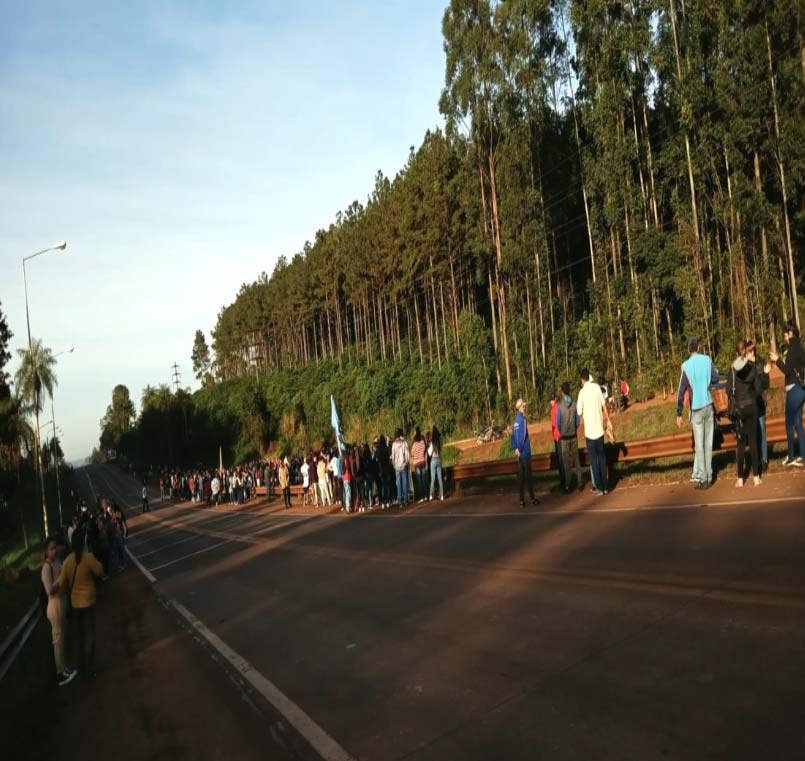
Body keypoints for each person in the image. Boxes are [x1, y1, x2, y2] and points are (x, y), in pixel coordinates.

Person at [54, 530, 103, 679]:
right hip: (88, 602)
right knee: (90, 635)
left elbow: (61, 582)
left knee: (79, 636)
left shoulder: (68, 560)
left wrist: (52, 587)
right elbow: (100, 571)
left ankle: (81, 668)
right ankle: (90, 668)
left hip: (75, 604)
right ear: (83, 542)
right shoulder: (88, 558)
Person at [676, 337, 719, 488]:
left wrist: (679, 413)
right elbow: (716, 377)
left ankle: (703, 478)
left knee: (699, 446)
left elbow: (681, 391)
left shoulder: (686, 366)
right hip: (709, 405)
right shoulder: (707, 360)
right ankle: (710, 475)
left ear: (689, 350)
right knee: (708, 444)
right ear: (698, 348)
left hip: (697, 409)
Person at [770, 321, 805, 467]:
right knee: (797, 423)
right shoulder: (800, 347)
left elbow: (787, 370)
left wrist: (776, 360)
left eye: (785, 334)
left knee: (788, 423)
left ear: (790, 333)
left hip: (794, 390)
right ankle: (802, 456)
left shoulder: (793, 347)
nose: (784, 337)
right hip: (801, 389)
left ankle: (791, 456)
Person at [41, 537, 76, 686]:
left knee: (63, 637)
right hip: (54, 605)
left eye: (55, 547)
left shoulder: (57, 562)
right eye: (51, 549)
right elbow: (49, 589)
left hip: (62, 602)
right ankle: (60, 674)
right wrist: (61, 579)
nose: (54, 550)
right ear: (46, 552)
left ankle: (64, 667)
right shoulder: (46, 567)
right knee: (58, 640)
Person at [727, 340, 762, 487]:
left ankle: (740, 479)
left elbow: (728, 390)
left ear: (736, 352)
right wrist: (752, 396)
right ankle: (756, 477)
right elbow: (759, 390)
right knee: (753, 442)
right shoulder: (752, 367)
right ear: (745, 351)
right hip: (752, 407)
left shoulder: (733, 370)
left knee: (741, 444)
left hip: (739, 410)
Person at [577, 370, 609, 495]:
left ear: (582, 380)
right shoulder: (596, 388)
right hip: (599, 430)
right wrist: (608, 420)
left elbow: (579, 412)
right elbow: (604, 405)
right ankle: (606, 486)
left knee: (594, 461)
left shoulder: (582, 393)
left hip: (589, 432)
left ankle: (599, 487)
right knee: (602, 458)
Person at [511, 398, 538, 509]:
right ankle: (532, 499)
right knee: (528, 477)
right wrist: (520, 449)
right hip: (525, 451)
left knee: (521, 477)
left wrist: (515, 448)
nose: (525, 407)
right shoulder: (522, 419)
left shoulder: (516, 420)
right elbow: (522, 436)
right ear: (521, 406)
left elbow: (512, 436)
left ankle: (522, 500)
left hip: (520, 451)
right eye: (524, 406)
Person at [557, 382, 583, 493]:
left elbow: (558, 422)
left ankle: (568, 485)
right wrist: (574, 429)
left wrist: (562, 431)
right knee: (576, 459)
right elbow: (578, 421)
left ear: (562, 392)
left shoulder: (560, 406)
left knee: (566, 462)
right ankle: (580, 482)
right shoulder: (575, 403)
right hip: (573, 435)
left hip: (564, 437)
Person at [549, 392, 565, 492]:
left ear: (555, 399)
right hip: (556, 436)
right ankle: (562, 480)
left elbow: (555, 423)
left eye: (552, 400)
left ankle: (563, 481)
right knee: (560, 460)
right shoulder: (555, 408)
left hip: (559, 437)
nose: (551, 402)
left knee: (561, 460)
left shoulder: (557, 408)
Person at [391, 428, 410, 507]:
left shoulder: (394, 444)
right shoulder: (404, 442)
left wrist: (394, 465)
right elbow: (407, 454)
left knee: (398, 484)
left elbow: (393, 456)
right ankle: (405, 499)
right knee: (405, 483)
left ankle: (399, 501)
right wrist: (406, 462)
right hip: (403, 465)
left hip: (397, 466)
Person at [411, 428, 427, 502]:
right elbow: (424, 450)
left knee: (419, 481)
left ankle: (421, 497)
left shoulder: (414, 444)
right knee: (423, 480)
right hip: (423, 462)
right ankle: (425, 496)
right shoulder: (422, 442)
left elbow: (412, 453)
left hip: (417, 463)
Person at [429, 426, 445, 501]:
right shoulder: (440, 441)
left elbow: (429, 453)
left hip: (433, 460)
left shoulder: (432, 442)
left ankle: (431, 495)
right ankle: (442, 495)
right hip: (439, 459)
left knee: (432, 479)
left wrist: (429, 448)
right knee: (440, 478)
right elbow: (442, 449)